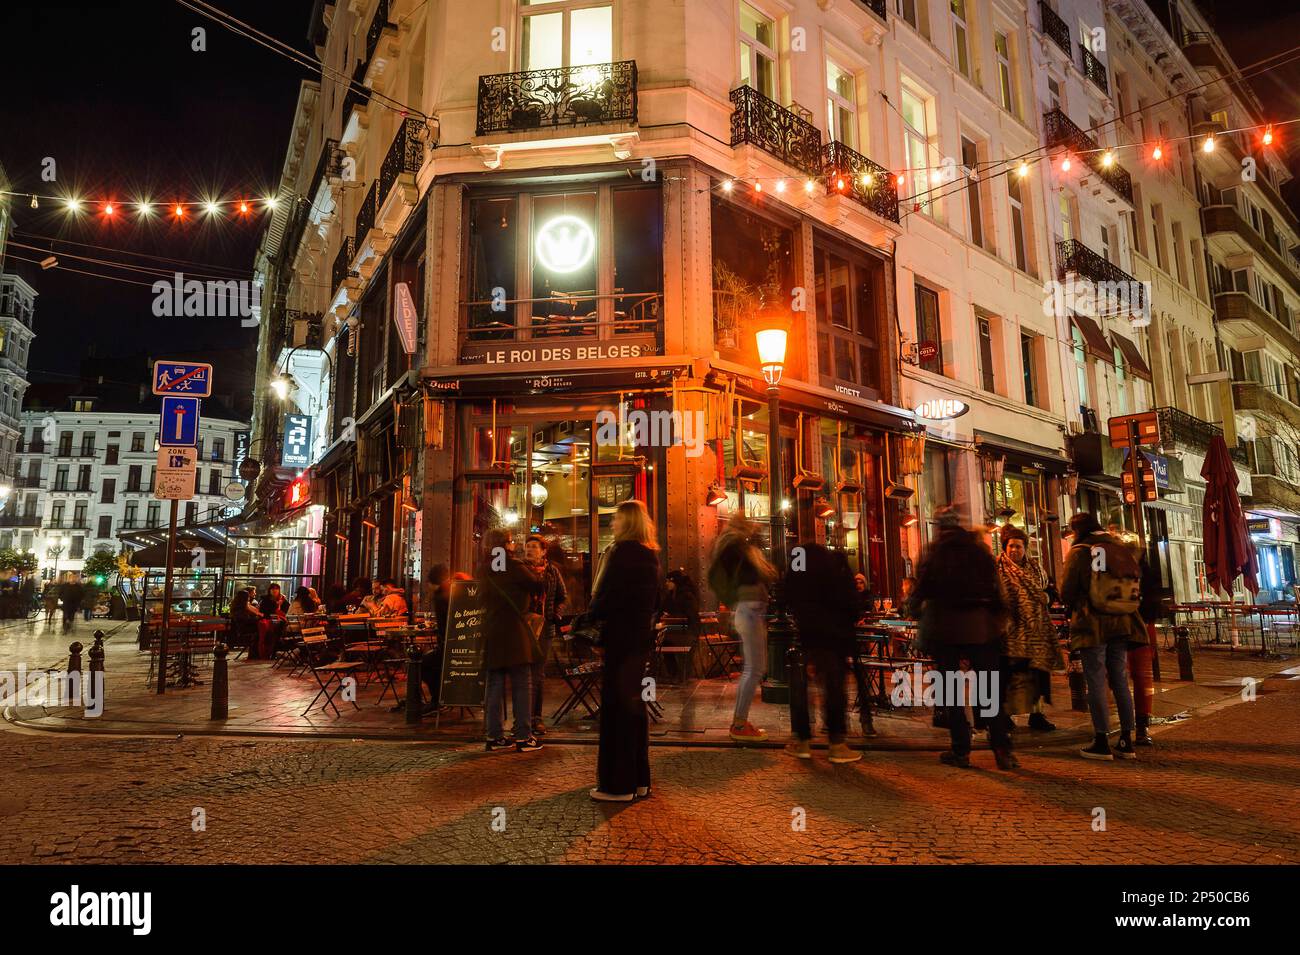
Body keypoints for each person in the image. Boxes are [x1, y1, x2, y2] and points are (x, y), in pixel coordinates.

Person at [910, 508, 1016, 770]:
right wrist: (1000, 616)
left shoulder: (935, 552)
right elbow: (996, 587)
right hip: (981, 628)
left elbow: (922, 588)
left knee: (950, 691)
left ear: (939, 526)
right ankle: (1002, 749)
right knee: (989, 690)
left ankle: (961, 750)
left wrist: (913, 610)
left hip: (946, 629)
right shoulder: (979, 550)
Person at [588, 500, 661, 801]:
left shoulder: (618, 554)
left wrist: (590, 625)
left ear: (627, 522)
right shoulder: (651, 556)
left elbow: (606, 600)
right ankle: (639, 779)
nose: (612, 524)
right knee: (635, 706)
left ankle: (617, 785)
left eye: (617, 518)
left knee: (616, 708)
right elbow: (656, 603)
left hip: (619, 639)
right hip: (639, 641)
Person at [1060, 513, 1146, 761]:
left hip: (1092, 623)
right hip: (1122, 621)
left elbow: (1067, 591)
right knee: (1119, 679)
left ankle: (1101, 740)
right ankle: (1126, 739)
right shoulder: (1118, 547)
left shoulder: (1080, 551)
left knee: (1095, 680)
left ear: (1077, 530)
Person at [784, 542, 861, 763]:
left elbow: (789, 591)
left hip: (808, 634)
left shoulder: (799, 567)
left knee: (801, 688)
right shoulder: (836, 568)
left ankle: (802, 741)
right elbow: (852, 604)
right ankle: (836, 744)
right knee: (834, 687)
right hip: (835, 637)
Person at [707, 516, 777, 743]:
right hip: (748, 610)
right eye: (748, 524)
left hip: (749, 610)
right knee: (754, 669)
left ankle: (740, 722)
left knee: (755, 668)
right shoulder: (735, 548)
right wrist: (734, 600)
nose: (753, 527)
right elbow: (716, 578)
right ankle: (739, 724)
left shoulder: (737, 547)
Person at [478, 528, 545, 753]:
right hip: (514, 630)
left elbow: (481, 597)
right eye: (510, 541)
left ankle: (494, 736)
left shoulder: (484, 569)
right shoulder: (515, 566)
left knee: (494, 684)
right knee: (521, 682)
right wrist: (535, 570)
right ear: (505, 545)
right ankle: (524, 736)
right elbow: (538, 585)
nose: (514, 544)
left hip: (492, 629)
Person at [995, 524, 1064, 732]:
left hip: (1035, 630)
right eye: (1010, 546)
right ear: (1004, 547)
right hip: (1009, 632)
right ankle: (1005, 715)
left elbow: (1052, 591)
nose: (1014, 550)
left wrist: (1047, 597)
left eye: (1018, 546)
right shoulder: (997, 568)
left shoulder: (1036, 568)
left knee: (1035, 674)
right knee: (1010, 675)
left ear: (1025, 548)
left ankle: (1036, 714)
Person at [524, 535, 568, 737]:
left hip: (545, 627)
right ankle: (523, 717)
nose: (529, 550)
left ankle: (536, 717)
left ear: (543, 551)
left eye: (534, 547)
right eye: (527, 546)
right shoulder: (521, 570)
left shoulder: (552, 571)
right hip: (523, 627)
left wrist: (555, 613)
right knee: (523, 672)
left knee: (538, 673)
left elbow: (562, 595)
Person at [1130, 540, 1163, 747]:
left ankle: (1140, 725)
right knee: (1138, 679)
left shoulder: (1145, 574)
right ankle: (1138, 725)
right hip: (1137, 628)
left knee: (1140, 679)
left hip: (1136, 629)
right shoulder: (1148, 573)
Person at [422, 564, 454, 711]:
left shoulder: (440, 597)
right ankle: (441, 698)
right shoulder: (453, 591)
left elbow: (444, 626)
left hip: (449, 648)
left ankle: (437, 699)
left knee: (422, 664)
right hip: (462, 647)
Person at [257, 584, 289, 659]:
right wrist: (277, 605)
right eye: (273, 589)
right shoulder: (265, 600)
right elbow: (264, 612)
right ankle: (270, 652)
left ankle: (276, 651)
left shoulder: (282, 599)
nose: (275, 590)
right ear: (269, 590)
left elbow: (287, 610)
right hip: (269, 621)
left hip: (279, 622)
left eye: (277, 589)